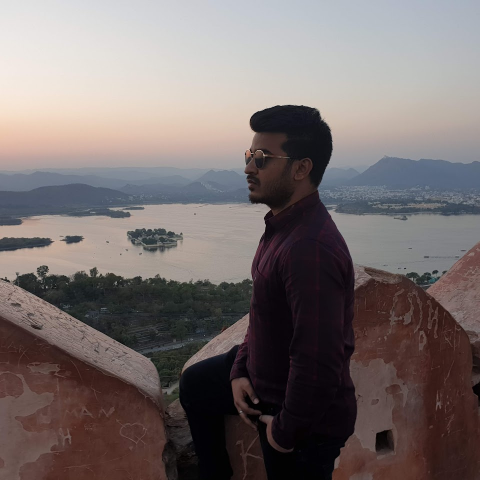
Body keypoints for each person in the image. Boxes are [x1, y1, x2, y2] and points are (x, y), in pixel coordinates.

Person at [180, 105, 356, 480]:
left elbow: (319, 361)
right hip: (266, 379)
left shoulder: (309, 249)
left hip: (300, 421)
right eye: (249, 155)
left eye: (261, 158)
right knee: (195, 384)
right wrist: (239, 370)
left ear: (301, 168)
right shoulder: (283, 227)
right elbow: (262, 315)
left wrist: (284, 432)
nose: (249, 167)